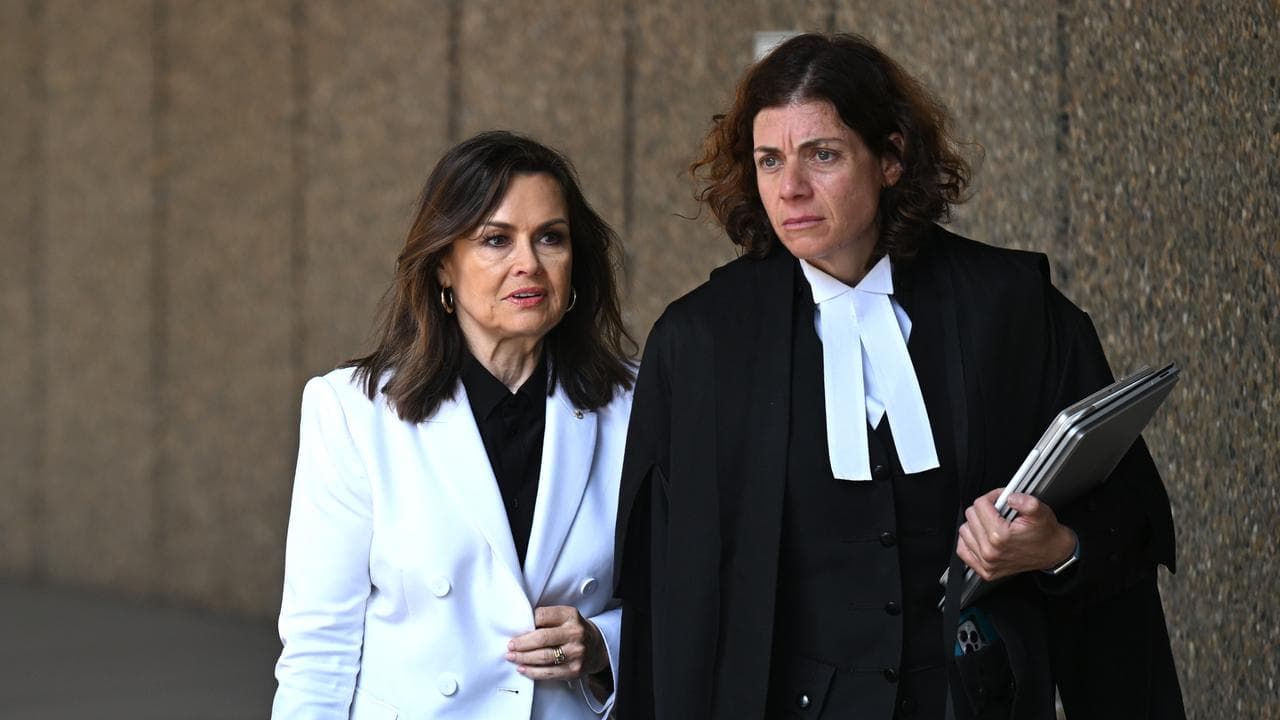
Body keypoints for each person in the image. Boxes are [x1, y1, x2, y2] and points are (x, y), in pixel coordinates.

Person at [614, 33, 1185, 719]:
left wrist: (1055, 546)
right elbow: (666, 600)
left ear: (890, 158)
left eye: (821, 155)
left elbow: (1128, 515)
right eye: (769, 160)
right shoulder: (700, 344)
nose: (790, 188)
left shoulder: (1010, 310)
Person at [272, 131, 635, 719]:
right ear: (444, 264)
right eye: (496, 239)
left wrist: (602, 645)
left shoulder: (632, 404)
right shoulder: (353, 412)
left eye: (551, 238)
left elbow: (683, 600)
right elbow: (320, 646)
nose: (529, 264)